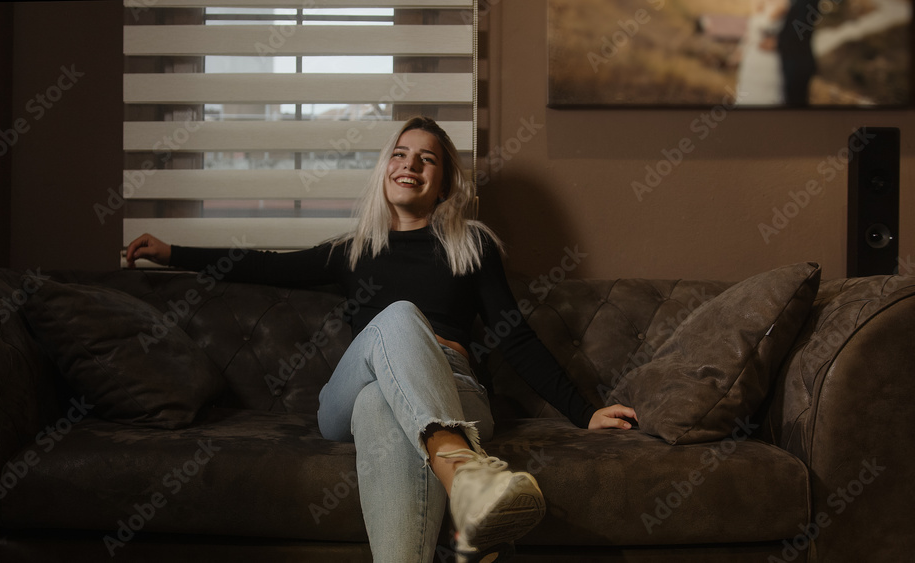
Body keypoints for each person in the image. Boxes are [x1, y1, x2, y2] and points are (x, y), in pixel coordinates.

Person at [126, 116, 637, 563]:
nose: (409, 164)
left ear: (443, 184)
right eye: (399, 153)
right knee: (395, 322)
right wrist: (172, 252)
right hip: (341, 401)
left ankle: (460, 485)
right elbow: (264, 265)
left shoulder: (471, 246)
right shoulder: (353, 251)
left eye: (427, 159)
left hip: (455, 389)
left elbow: (516, 338)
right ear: (385, 169)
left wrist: (583, 411)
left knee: (379, 406)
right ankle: (464, 475)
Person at [735, 0, 788, 106]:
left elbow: (768, 25)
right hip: (752, 57)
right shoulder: (757, 2)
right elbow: (750, 32)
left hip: (768, 58)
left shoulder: (783, 3)